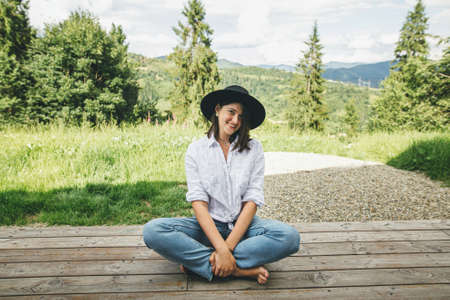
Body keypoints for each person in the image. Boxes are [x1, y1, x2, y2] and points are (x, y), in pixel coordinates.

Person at [143, 85, 300, 284]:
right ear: (217, 109)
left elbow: (252, 200)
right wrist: (220, 247)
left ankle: (203, 264)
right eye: (231, 112)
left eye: (241, 117)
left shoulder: (254, 149)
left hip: (243, 228)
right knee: (152, 231)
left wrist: (227, 249)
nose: (235, 121)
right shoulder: (196, 150)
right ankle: (236, 270)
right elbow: (198, 203)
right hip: (207, 227)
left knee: (290, 237)